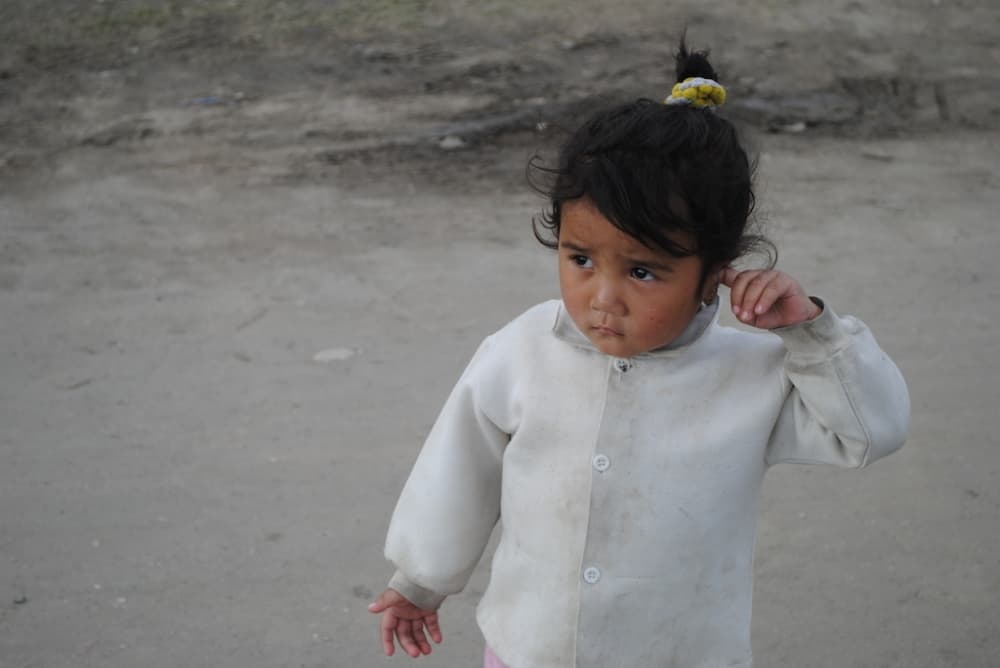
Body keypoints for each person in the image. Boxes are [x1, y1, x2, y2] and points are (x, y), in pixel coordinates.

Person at [368, 39, 910, 668]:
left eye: (644, 272)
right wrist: (419, 581)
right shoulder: (521, 353)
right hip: (530, 652)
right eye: (580, 260)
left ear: (714, 275)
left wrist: (812, 333)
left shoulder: (752, 377)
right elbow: (459, 474)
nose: (604, 299)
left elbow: (874, 431)